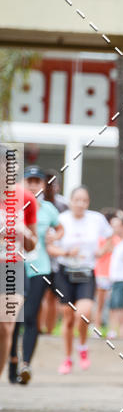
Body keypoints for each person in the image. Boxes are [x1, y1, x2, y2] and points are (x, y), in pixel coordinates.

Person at [48, 186, 112, 374]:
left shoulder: (96, 219)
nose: (81, 204)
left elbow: (110, 237)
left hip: (85, 273)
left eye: (84, 201)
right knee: (68, 317)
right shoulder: (61, 220)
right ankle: (68, 358)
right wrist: (67, 252)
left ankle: (82, 347)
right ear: (71, 201)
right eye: (77, 200)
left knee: (82, 314)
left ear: (88, 202)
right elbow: (50, 247)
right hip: (64, 272)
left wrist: (102, 251)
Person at [11, 167, 62, 385]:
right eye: (29, 181)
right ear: (22, 182)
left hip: (39, 269)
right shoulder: (12, 204)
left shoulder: (49, 209)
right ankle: (12, 361)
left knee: (30, 316)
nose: (33, 185)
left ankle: (26, 364)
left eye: (37, 182)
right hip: (13, 266)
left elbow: (60, 229)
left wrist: (53, 238)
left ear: (43, 185)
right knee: (12, 319)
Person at [1, 146, 37, 383]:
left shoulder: (25, 198)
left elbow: (33, 244)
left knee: (6, 327)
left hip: (12, 268)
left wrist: (23, 234)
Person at [38, 170, 68, 335]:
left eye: (53, 184)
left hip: (57, 260)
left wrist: (55, 238)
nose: (50, 187)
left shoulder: (64, 205)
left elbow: (65, 229)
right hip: (38, 257)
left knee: (53, 297)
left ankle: (49, 330)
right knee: (39, 295)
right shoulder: (36, 203)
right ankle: (37, 328)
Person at [94, 209, 123, 329]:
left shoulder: (120, 239)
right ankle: (96, 327)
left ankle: (112, 330)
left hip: (114, 275)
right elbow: (100, 252)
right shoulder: (103, 238)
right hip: (102, 273)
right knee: (99, 303)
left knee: (113, 305)